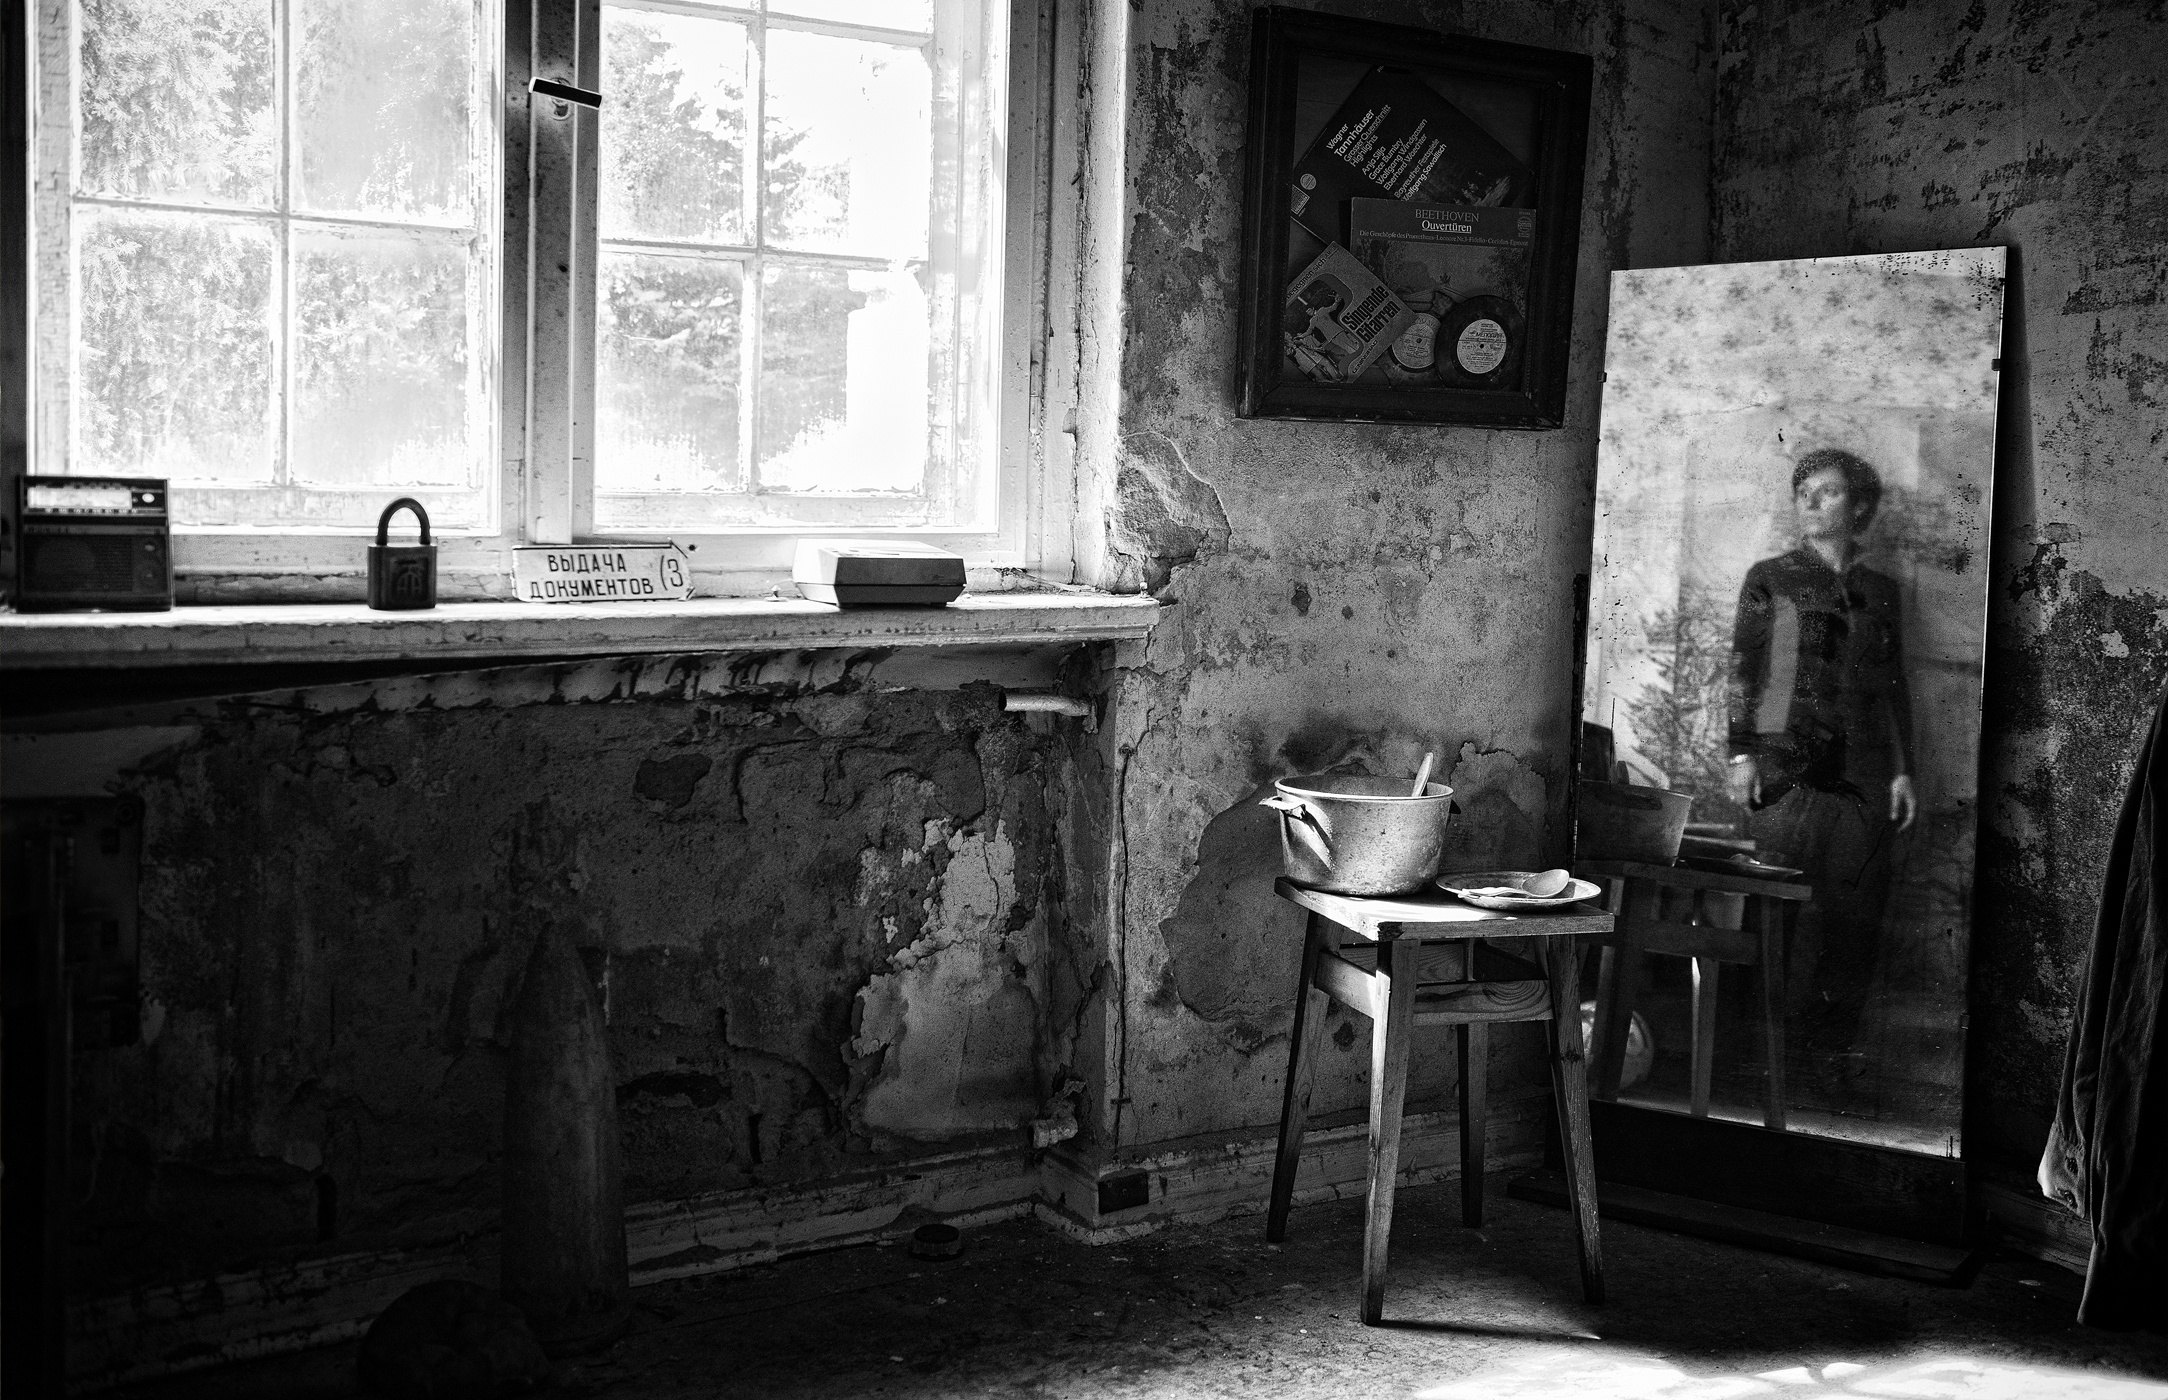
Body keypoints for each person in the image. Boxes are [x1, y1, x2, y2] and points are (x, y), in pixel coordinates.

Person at [1726, 448, 1918, 1074]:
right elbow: (1744, 671)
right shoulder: (1771, 577)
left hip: (1864, 774)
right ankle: (1751, 1059)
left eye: (1827, 491)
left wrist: (1904, 770)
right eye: (1802, 491)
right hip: (1785, 768)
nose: (1809, 501)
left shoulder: (1882, 592)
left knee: (1854, 918)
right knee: (1771, 909)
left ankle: (1829, 1060)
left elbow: (1894, 684)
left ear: (1859, 507)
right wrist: (1741, 753)